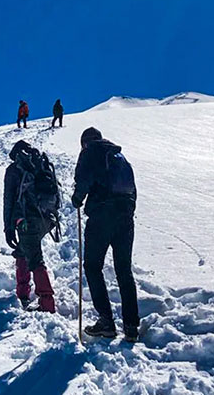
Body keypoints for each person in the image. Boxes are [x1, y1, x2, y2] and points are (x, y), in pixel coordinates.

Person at [71, 127, 139, 341]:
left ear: (85, 142)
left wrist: (77, 198)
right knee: (124, 271)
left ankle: (106, 322)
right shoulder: (119, 156)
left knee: (92, 266)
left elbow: (83, 179)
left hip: (102, 215)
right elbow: (132, 190)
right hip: (125, 217)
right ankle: (131, 326)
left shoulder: (90, 151)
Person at [3, 140, 58, 313]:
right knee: (23, 250)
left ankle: (46, 302)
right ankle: (22, 293)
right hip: (46, 218)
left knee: (34, 257)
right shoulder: (41, 164)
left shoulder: (14, 170)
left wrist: (9, 227)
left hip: (26, 220)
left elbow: (9, 200)